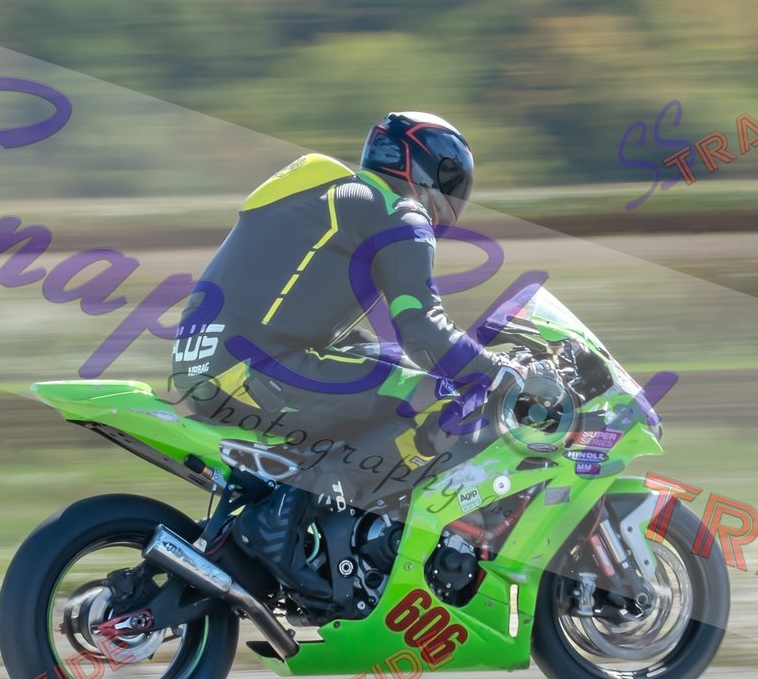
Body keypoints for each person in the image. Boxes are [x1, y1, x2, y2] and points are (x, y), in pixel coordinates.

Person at [169, 111, 547, 600]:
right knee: (436, 396)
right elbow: (421, 329)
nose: (454, 196)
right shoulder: (398, 213)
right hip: (252, 369)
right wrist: (498, 373)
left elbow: (368, 341)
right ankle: (284, 518)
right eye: (453, 180)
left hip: (212, 362)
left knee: (387, 364)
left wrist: (458, 361)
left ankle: (333, 532)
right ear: (424, 168)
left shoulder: (336, 196)